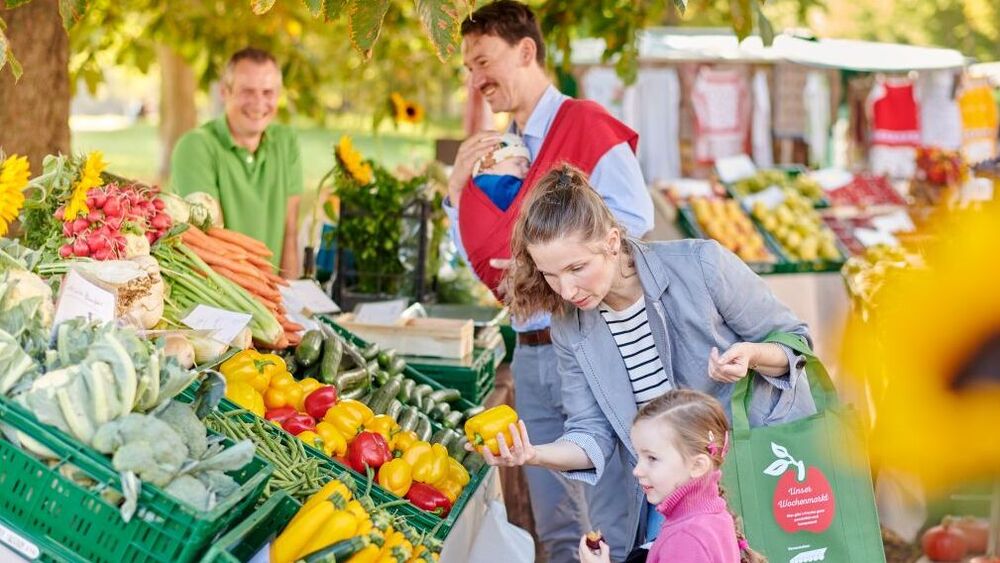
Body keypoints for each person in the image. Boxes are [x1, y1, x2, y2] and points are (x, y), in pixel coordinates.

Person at [481, 164, 815, 553]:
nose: (567, 289)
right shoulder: (569, 326)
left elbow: (795, 341)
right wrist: (534, 454)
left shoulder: (702, 265)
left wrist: (753, 355)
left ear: (611, 240)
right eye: (550, 275)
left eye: (577, 268)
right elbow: (592, 431)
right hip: (670, 500)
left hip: (749, 473)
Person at [446, 2, 655, 560]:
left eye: (483, 61)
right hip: (532, 354)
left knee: (616, 511)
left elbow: (634, 220)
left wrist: (552, 265)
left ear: (526, 51)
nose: (477, 79)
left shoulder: (586, 125)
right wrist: (456, 189)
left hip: (592, 344)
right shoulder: (501, 151)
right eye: (469, 68)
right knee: (556, 525)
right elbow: (471, 246)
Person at [579, 389, 766, 563]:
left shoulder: (685, 538)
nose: (637, 470)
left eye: (652, 458)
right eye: (639, 456)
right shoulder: (712, 517)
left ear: (697, 465)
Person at [170, 47, 302, 277]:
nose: (258, 103)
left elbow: (290, 233)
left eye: (268, 92)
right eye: (247, 91)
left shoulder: (286, 142)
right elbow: (211, 244)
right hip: (216, 295)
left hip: (269, 296)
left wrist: (289, 299)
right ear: (224, 92)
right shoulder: (196, 146)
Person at [471, 132, 531, 212]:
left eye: (527, 165)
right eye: (518, 164)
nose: (527, 170)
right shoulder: (495, 185)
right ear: (490, 167)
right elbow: (525, 197)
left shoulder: (480, 183)